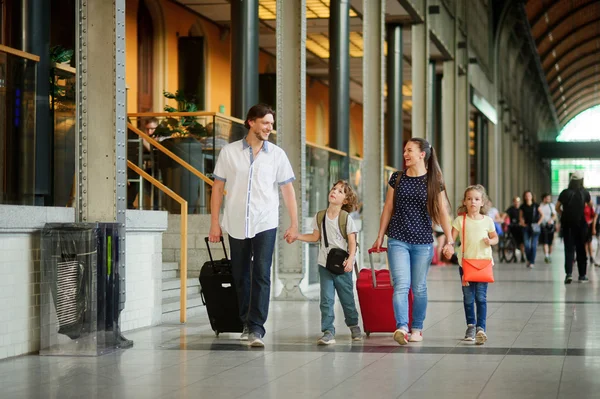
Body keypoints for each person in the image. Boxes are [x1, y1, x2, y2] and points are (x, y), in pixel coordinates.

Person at [208, 104, 298, 347]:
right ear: (251, 122)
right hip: (236, 220)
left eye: (271, 123)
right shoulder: (229, 152)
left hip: (265, 221)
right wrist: (214, 223)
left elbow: (287, 190)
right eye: (265, 122)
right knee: (240, 274)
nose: (270, 127)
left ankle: (257, 326)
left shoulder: (277, 154)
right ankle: (246, 322)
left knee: (261, 272)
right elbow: (217, 189)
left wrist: (294, 223)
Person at [371, 138, 453, 345]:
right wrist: (380, 235)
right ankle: (401, 327)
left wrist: (450, 241)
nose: (405, 154)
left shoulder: (434, 181)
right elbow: (388, 207)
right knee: (401, 284)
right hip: (397, 239)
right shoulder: (397, 178)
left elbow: (443, 213)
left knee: (419, 287)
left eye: (410, 150)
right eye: (404, 150)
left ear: (422, 155)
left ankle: (417, 327)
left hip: (423, 242)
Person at [289, 180, 362, 345]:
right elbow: (315, 237)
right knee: (326, 300)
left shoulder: (345, 218)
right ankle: (328, 331)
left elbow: (352, 242)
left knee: (347, 298)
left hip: (343, 266)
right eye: (334, 188)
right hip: (325, 265)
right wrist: (297, 236)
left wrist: (350, 260)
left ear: (345, 201)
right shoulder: (320, 216)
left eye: (340, 191)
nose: (334, 191)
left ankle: (353, 324)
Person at [444, 185, 497, 345]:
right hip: (466, 265)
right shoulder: (460, 220)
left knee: (481, 297)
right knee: (468, 298)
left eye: (476, 199)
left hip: (484, 264)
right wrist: (449, 247)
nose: (473, 201)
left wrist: (491, 241)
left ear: (482, 202)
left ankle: (481, 328)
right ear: (464, 202)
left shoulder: (488, 221)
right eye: (469, 199)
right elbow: (451, 240)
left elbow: (496, 238)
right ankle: (471, 326)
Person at [555, 171, 591, 283]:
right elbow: (590, 207)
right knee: (581, 250)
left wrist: (564, 214)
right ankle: (582, 275)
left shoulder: (564, 193)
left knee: (569, 249)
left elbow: (557, 208)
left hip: (567, 224)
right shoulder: (585, 193)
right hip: (581, 224)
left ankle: (569, 274)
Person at [519, 191, 543, 268]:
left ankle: (531, 261)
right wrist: (522, 223)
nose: (528, 197)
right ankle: (529, 259)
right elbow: (520, 216)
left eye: (529, 195)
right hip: (526, 227)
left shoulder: (536, 205)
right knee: (526, 245)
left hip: (535, 227)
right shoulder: (522, 206)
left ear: (532, 196)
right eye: (526, 195)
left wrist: (538, 223)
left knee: (533, 245)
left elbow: (542, 215)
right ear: (524, 197)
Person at [505, 196, 525, 262]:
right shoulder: (511, 209)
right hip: (513, 228)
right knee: (514, 243)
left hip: (520, 228)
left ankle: (522, 255)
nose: (516, 203)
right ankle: (515, 256)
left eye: (518, 202)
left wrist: (522, 223)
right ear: (513, 202)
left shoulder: (522, 209)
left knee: (521, 243)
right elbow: (505, 215)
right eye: (515, 202)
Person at [539, 193, 557, 263]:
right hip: (543, 226)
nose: (549, 200)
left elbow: (554, 216)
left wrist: (551, 220)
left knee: (550, 242)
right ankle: (546, 255)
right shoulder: (540, 206)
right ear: (544, 198)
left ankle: (549, 255)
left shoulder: (551, 206)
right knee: (545, 241)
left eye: (549, 198)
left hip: (550, 226)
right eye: (547, 198)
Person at [584, 201, 595, 266]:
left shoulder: (590, 207)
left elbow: (594, 217)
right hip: (582, 227)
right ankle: (585, 257)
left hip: (588, 227)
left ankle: (591, 257)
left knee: (589, 242)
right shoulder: (580, 207)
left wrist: (590, 222)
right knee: (584, 243)